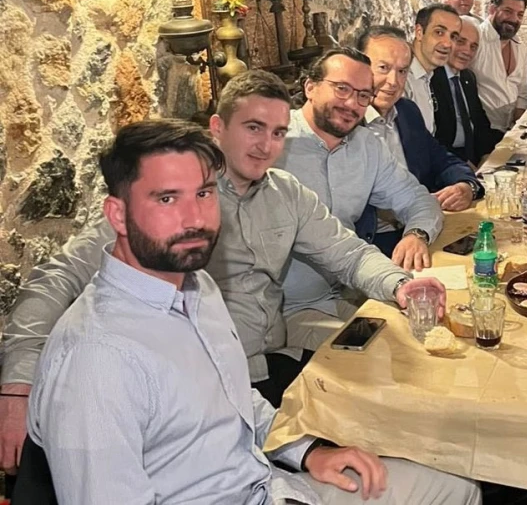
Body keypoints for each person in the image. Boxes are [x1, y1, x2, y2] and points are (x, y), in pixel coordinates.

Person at [27, 119, 481, 505]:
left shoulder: (196, 287)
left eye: (204, 193)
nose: (194, 217)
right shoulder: (96, 359)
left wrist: (308, 452)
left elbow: (236, 399)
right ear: (117, 215)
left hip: (273, 485)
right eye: (166, 199)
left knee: (455, 484)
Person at [1, 71, 447, 431]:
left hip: (272, 363)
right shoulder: (178, 206)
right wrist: (18, 386)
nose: (266, 146)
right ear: (218, 128)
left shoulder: (287, 192)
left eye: (277, 132)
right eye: (253, 128)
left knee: (404, 394)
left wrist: (401, 286)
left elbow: (348, 254)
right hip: (207, 387)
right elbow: (59, 276)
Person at [277, 47, 444, 283]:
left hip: (353, 286)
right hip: (291, 300)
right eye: (342, 88)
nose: (351, 103)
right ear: (310, 87)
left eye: (363, 95)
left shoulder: (366, 145)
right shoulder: (273, 143)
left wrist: (416, 235)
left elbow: (418, 199)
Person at [355, 26, 484, 255]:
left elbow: (441, 159)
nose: (393, 81)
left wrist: (467, 186)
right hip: (373, 244)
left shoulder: (406, 111)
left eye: (402, 71)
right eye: (383, 68)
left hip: (421, 227)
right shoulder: (346, 124)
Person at [430, 15, 505, 165]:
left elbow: (480, 122)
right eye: (461, 41)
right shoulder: (431, 78)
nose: (467, 51)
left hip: (473, 153)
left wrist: (485, 155)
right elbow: (434, 139)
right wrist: (463, 164)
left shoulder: (468, 77)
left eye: (473, 47)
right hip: (447, 160)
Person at [469, 0, 527, 131]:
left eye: (520, 14)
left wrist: (519, 123)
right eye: (508, 11)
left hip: (512, 129)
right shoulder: (475, 39)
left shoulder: (520, 46)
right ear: (492, 9)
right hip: (484, 130)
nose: (514, 19)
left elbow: (523, 90)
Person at [407, 3, 462, 132]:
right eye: (439, 32)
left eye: (453, 37)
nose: (447, 44)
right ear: (419, 32)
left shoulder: (428, 76)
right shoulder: (402, 79)